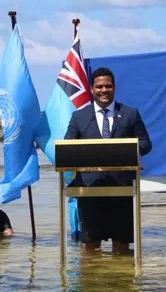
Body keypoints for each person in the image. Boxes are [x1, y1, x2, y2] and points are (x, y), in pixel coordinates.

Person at [64, 67, 152, 253]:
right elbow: (67, 145)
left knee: (121, 245)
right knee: (90, 246)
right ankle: (91, 281)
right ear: (92, 89)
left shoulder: (130, 113)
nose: (104, 90)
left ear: (114, 87)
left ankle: (118, 281)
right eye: (99, 87)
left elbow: (145, 143)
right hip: (88, 189)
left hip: (122, 188)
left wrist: (125, 151)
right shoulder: (79, 117)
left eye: (108, 86)